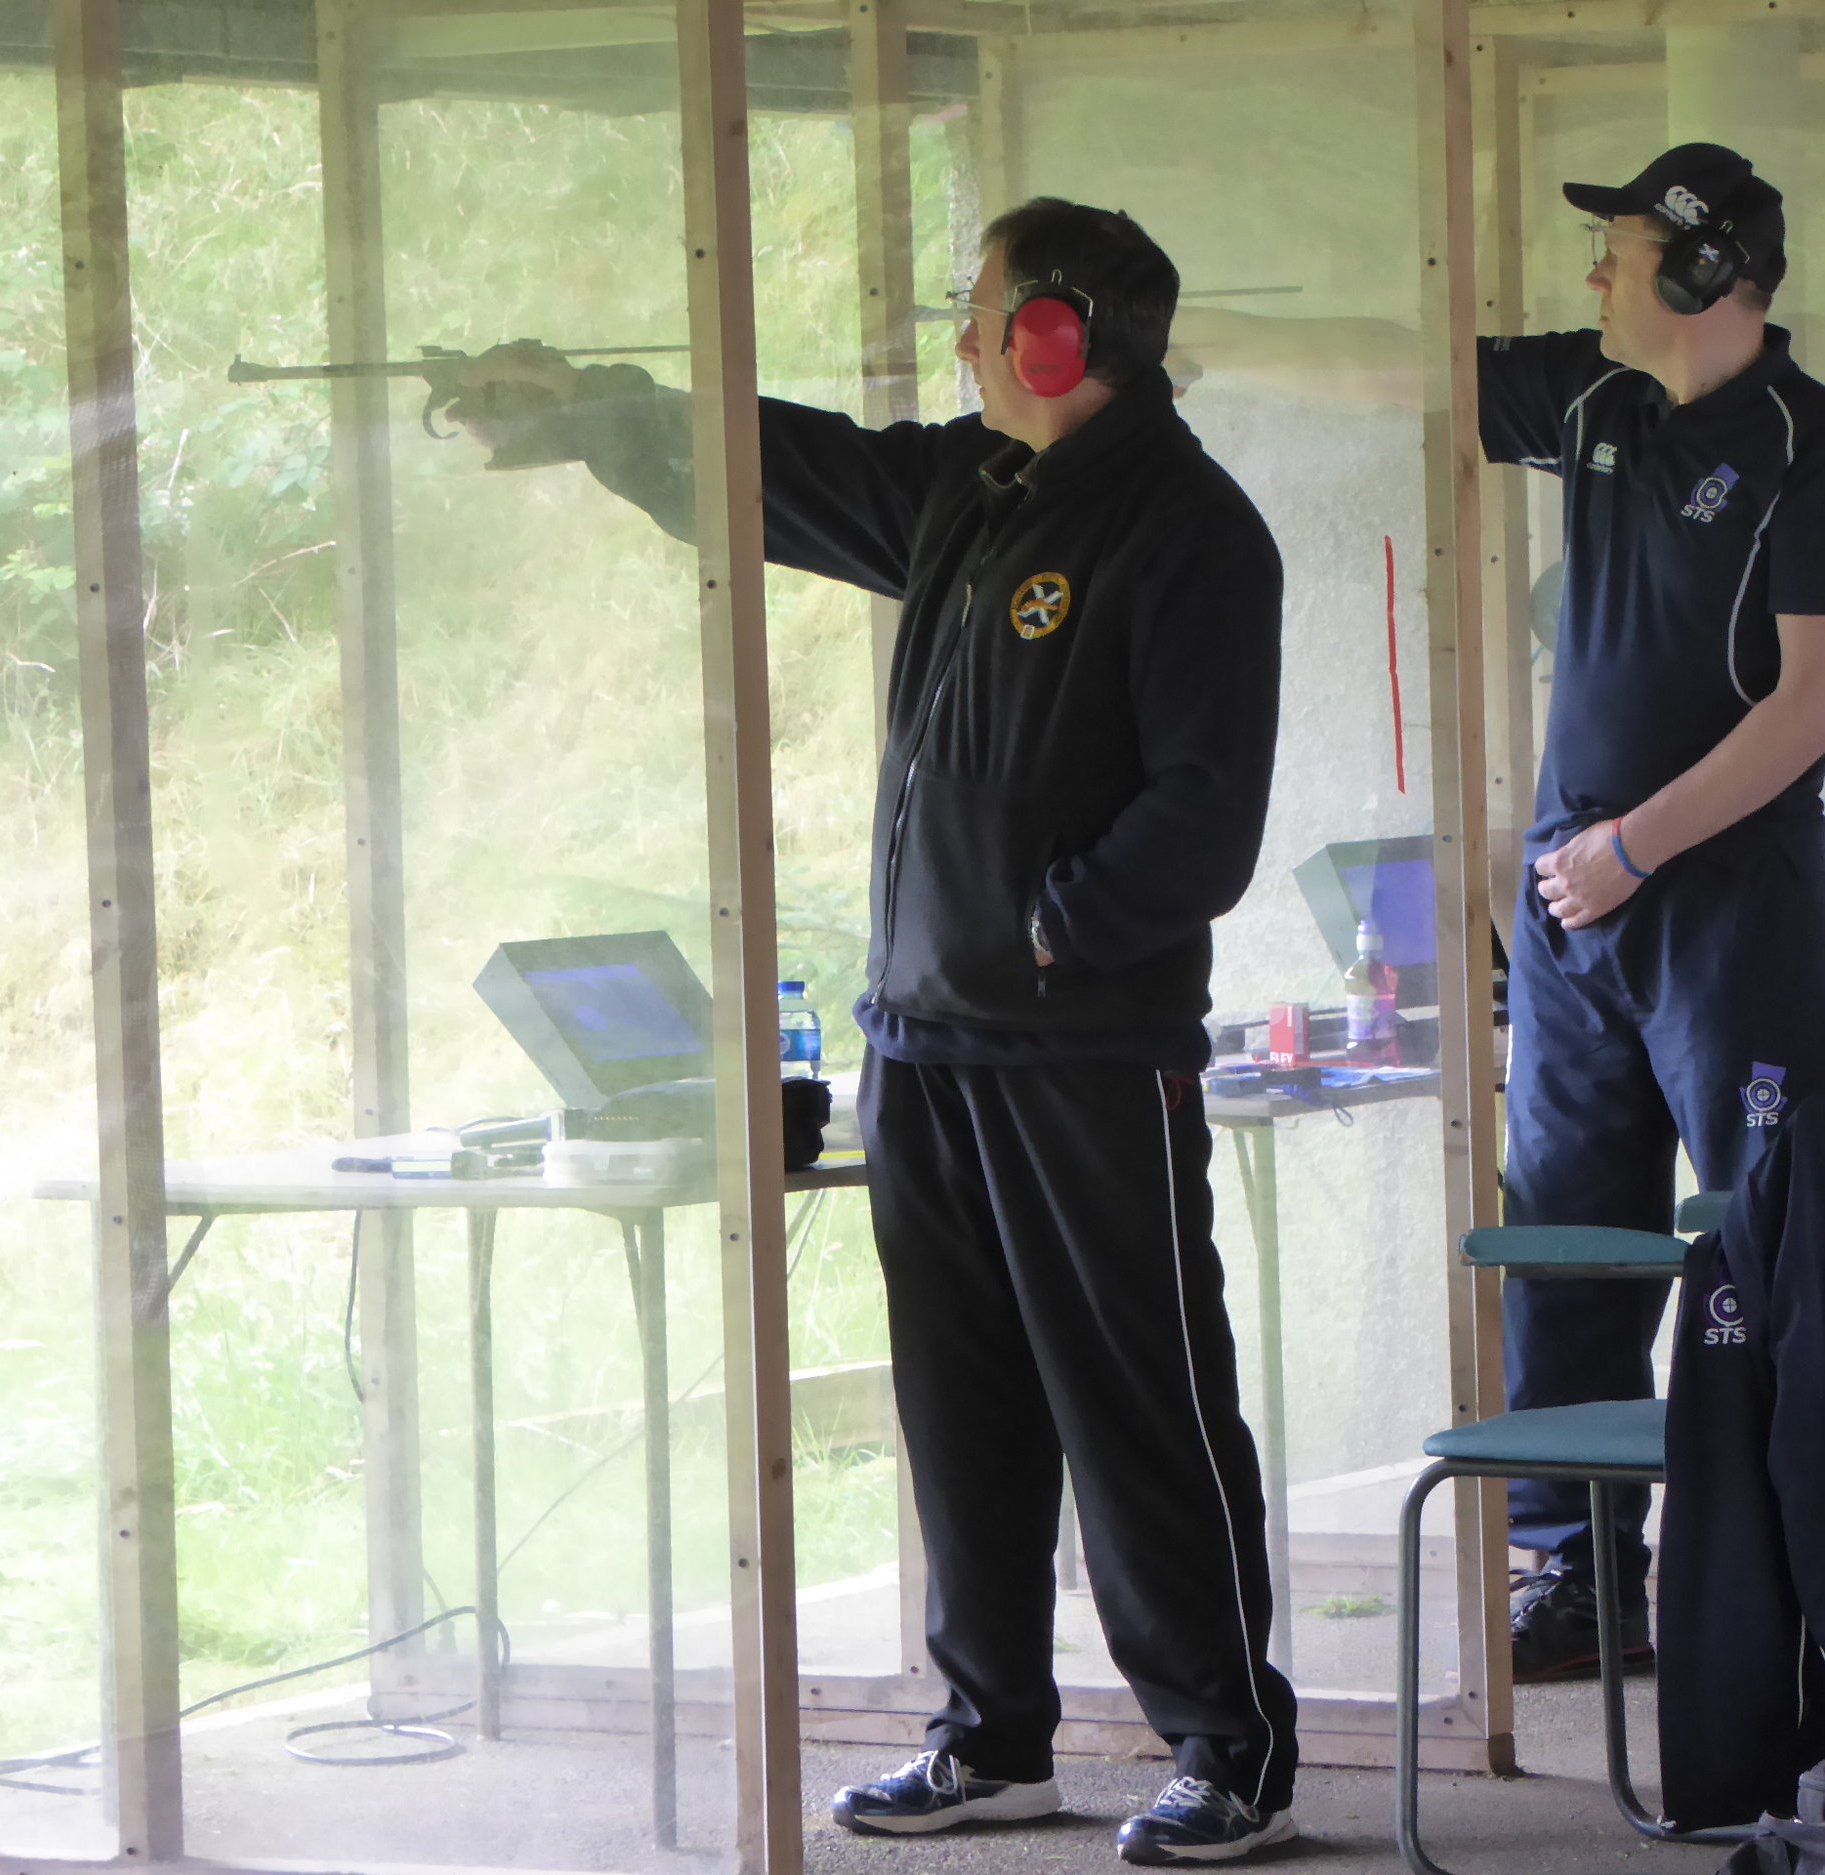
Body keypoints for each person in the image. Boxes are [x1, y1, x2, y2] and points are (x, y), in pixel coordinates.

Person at [453, 198, 1297, 1863]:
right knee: (962, 1413)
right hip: (928, 1049)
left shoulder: (1191, 531)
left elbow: (1207, 818)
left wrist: (1051, 927)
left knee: (1144, 1401)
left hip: (1084, 1053)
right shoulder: (970, 497)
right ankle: (995, 1740)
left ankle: (1228, 1748)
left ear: (1059, 335)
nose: (964, 336)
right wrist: (598, 410)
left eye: (980, 311)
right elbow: (790, 468)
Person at [1481, 143, 1825, 1681]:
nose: (1595, 271)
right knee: (1570, 1238)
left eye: (1624, 246)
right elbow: (1400, 367)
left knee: (1776, 1228)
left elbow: (1817, 702)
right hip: (1575, 889)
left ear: (1711, 272)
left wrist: (1635, 852)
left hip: (1720, 892)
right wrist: (1192, 352)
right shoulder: (1593, 403)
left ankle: (1816, 1569)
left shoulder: (1821, 445)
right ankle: (1575, 1570)